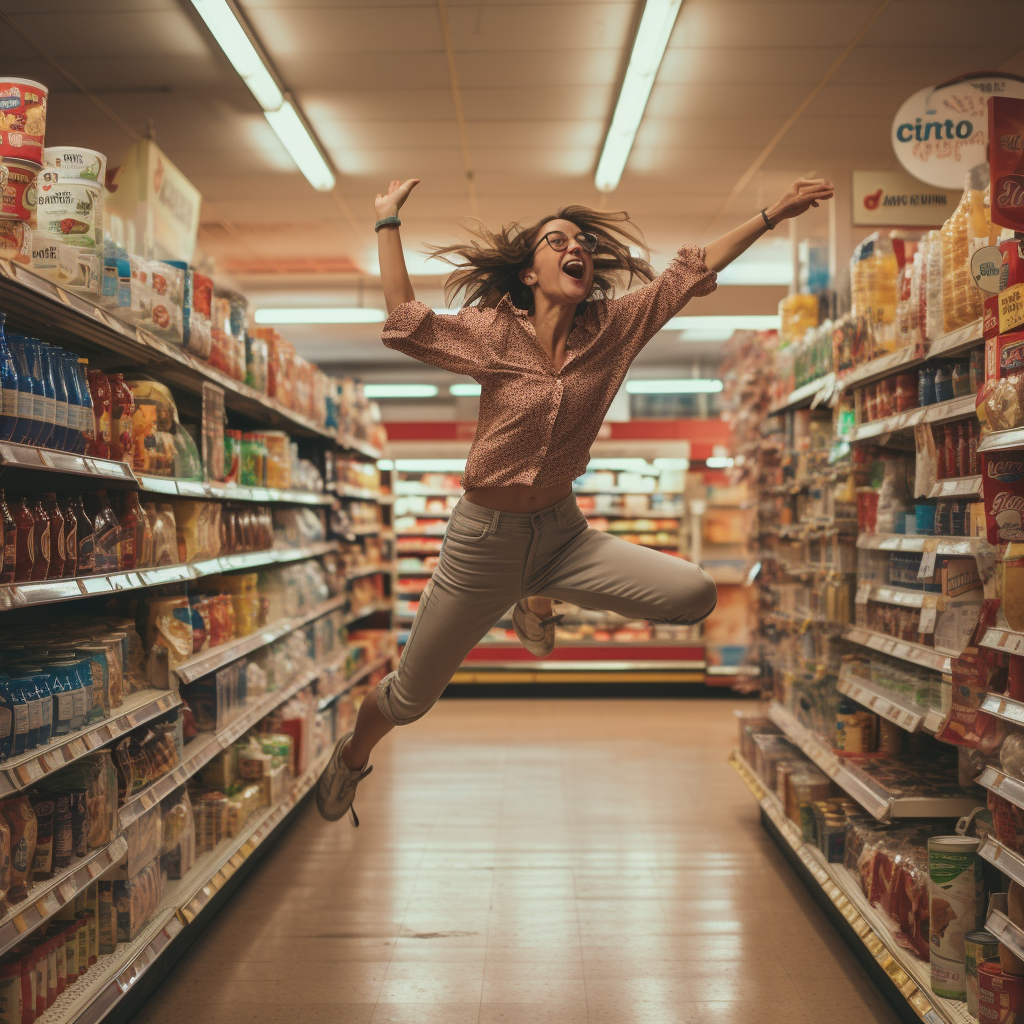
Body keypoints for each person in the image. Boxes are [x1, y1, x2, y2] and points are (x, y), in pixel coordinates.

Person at [316, 176, 834, 823]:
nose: (575, 247)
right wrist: (387, 221)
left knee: (694, 594)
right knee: (410, 699)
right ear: (531, 272)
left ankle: (537, 595)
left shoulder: (613, 327)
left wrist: (771, 212)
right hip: (483, 543)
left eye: (583, 242)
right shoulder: (491, 332)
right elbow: (404, 322)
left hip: (564, 536)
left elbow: (688, 270)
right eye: (555, 240)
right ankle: (350, 758)